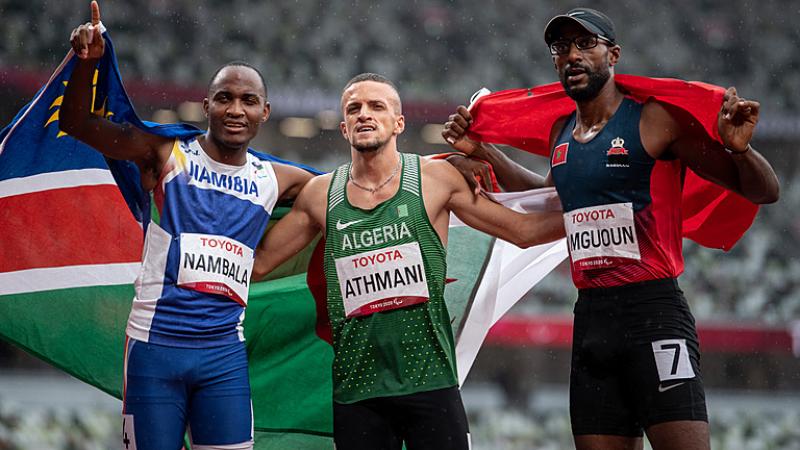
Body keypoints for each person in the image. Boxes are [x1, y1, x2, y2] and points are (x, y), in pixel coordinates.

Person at [442, 7, 779, 450]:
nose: (572, 56)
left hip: (654, 315)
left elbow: (764, 190)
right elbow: (553, 198)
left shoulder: (653, 120)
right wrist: (485, 153)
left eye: (586, 44)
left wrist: (741, 151)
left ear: (613, 54)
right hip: (592, 321)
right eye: (562, 48)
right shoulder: (563, 132)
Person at [251, 73, 564, 450]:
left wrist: (597, 212)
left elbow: (523, 231)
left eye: (376, 106)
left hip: (430, 385)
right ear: (344, 128)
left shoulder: (436, 179)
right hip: (357, 391)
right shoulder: (321, 195)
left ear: (398, 123)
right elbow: (259, 263)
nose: (364, 114)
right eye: (354, 109)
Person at [60, 3, 314, 449]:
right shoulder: (166, 155)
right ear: (207, 106)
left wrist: (443, 170)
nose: (236, 109)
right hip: (154, 350)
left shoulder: (279, 179)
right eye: (225, 98)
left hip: (224, 358)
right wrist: (86, 63)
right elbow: (77, 123)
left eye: (248, 101)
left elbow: (359, 192)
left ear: (265, 112)